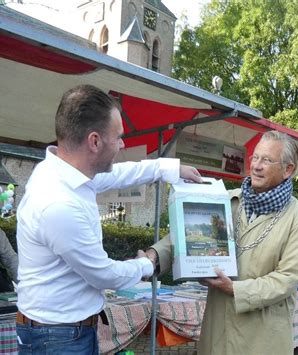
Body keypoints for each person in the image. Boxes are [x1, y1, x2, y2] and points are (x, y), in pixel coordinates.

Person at [15, 84, 201, 354]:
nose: (123, 144)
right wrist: (147, 263)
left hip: (61, 332)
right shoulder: (58, 204)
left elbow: (122, 174)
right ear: (94, 141)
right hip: (57, 338)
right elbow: (104, 275)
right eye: (119, 137)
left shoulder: (64, 171)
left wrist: (169, 168)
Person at [148, 131, 298, 354]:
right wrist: (154, 257)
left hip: (263, 339)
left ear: (288, 169)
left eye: (266, 160)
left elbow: (287, 279)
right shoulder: (227, 199)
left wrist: (235, 289)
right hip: (219, 332)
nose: (256, 166)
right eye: (255, 157)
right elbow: (185, 234)